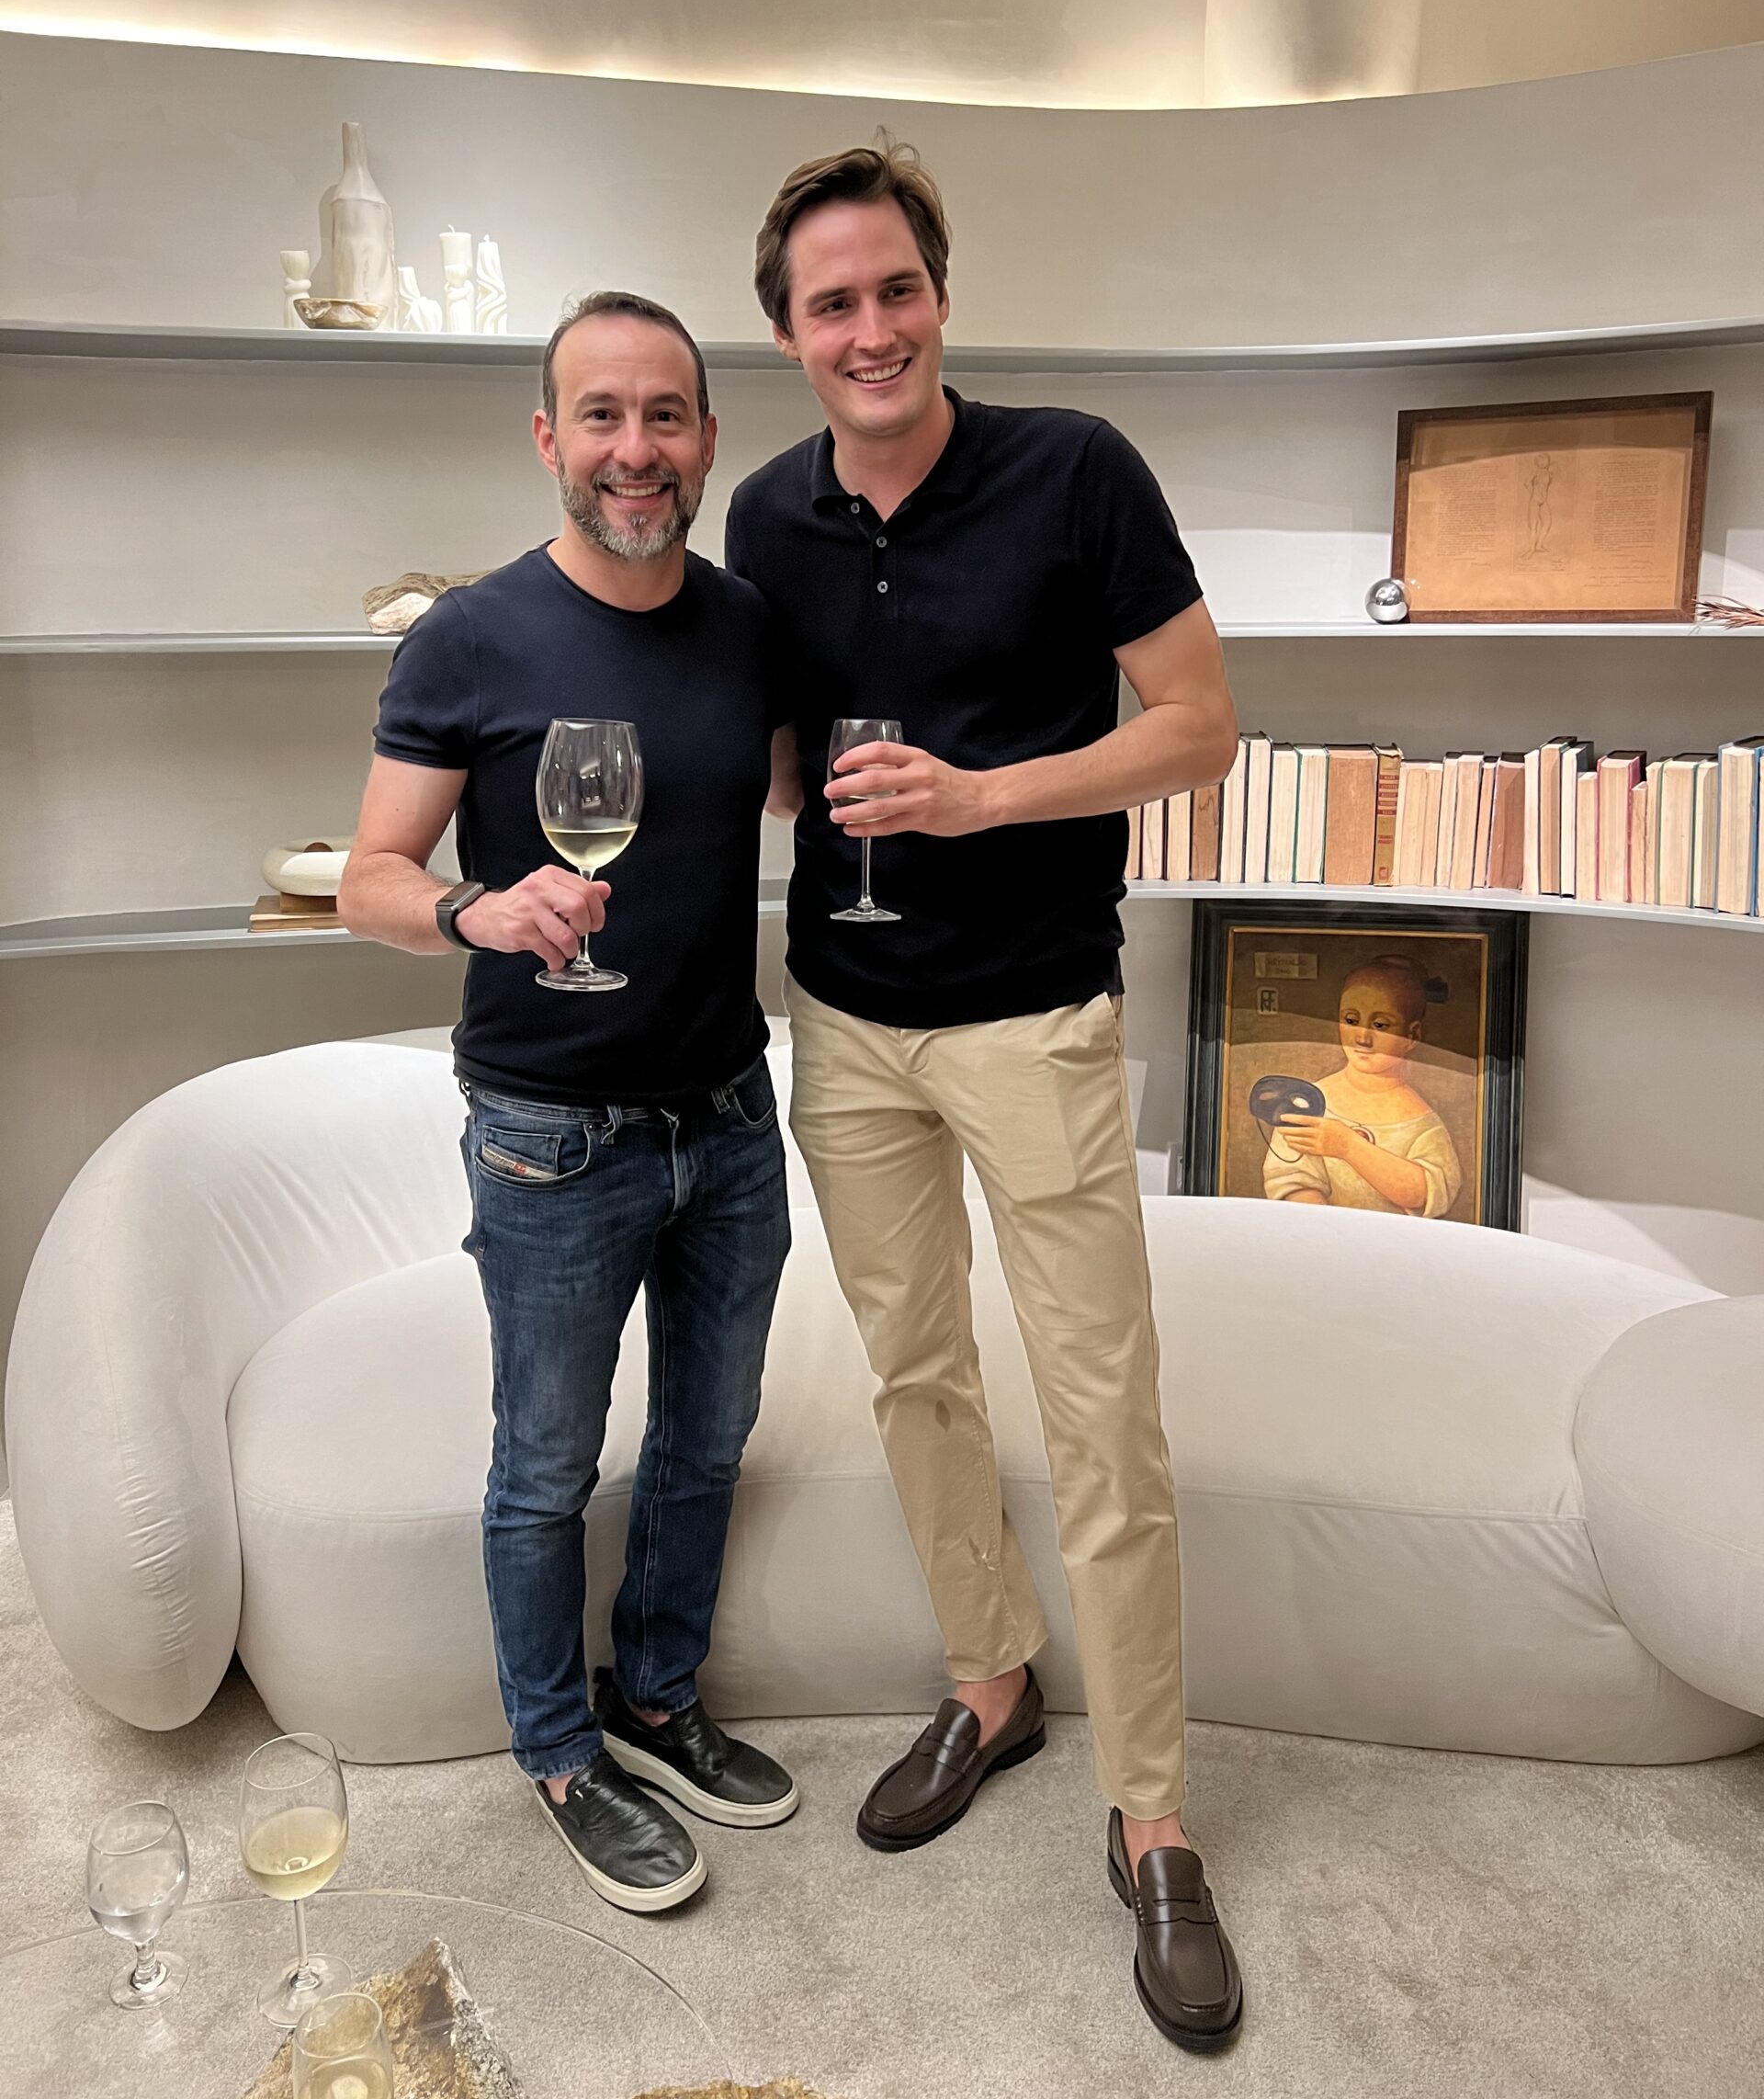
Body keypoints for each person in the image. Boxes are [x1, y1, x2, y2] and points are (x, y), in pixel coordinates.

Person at [724, 142, 1245, 2048]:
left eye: (896, 289)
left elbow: (1198, 725)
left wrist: (977, 796)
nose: (871, 328)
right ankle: (992, 1678)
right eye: (832, 304)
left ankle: (1154, 1815)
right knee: (916, 1374)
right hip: (846, 1023)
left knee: (1104, 1411)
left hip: (1034, 1013)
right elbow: (782, 767)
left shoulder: (1077, 469)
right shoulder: (765, 516)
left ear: (939, 295)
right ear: (791, 335)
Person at [338, 290, 798, 1916]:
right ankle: (555, 1749)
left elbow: (791, 788)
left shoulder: (748, 626)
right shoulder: (469, 636)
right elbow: (369, 879)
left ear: (707, 438)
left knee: (708, 1440)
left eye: (664, 415)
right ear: (550, 437)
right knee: (545, 1469)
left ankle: (654, 1699)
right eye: (601, 414)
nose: (634, 448)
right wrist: (476, 910)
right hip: (551, 1135)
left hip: (729, 1115)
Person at [1263, 955, 1464, 1217]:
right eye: (1350, 1020)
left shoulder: (1423, 1124)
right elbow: (1291, 1179)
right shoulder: (1307, 1102)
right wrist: (1328, 1228)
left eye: (1380, 1025)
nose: (1362, 1038)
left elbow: (1426, 1192)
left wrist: (1348, 1146)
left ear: (1412, 1036)